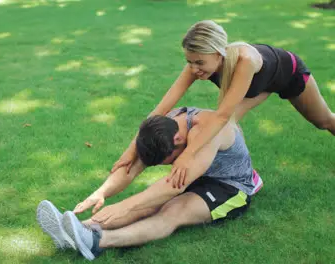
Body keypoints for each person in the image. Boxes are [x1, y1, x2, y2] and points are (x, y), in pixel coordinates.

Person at [111, 20, 335, 188]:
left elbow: (220, 116)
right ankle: (246, 176)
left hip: (289, 75)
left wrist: (188, 154)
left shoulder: (244, 61)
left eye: (200, 62)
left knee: (324, 121)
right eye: (189, 61)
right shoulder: (198, 64)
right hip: (259, 85)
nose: (194, 68)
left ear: (219, 54)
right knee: (229, 125)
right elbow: (160, 110)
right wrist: (131, 151)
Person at [37, 106, 261, 261]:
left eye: (169, 161)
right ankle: (79, 230)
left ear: (178, 142)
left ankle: (98, 242)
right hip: (199, 176)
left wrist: (124, 205)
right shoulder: (164, 126)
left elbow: (174, 186)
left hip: (230, 188)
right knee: (148, 202)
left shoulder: (208, 131)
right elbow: (132, 167)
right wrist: (101, 193)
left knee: (173, 210)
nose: (169, 166)